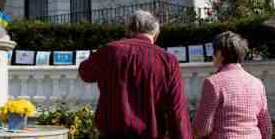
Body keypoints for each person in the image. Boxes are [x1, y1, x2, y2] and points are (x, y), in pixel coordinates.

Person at [78, 10, 192, 139]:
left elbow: (84, 73)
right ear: (156, 34)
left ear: (129, 29)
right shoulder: (168, 60)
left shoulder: (110, 51)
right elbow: (177, 111)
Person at [193, 31, 272, 139]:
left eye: (214, 52)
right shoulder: (257, 83)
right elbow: (266, 129)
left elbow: (203, 128)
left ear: (220, 54)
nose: (212, 56)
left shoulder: (213, 83)